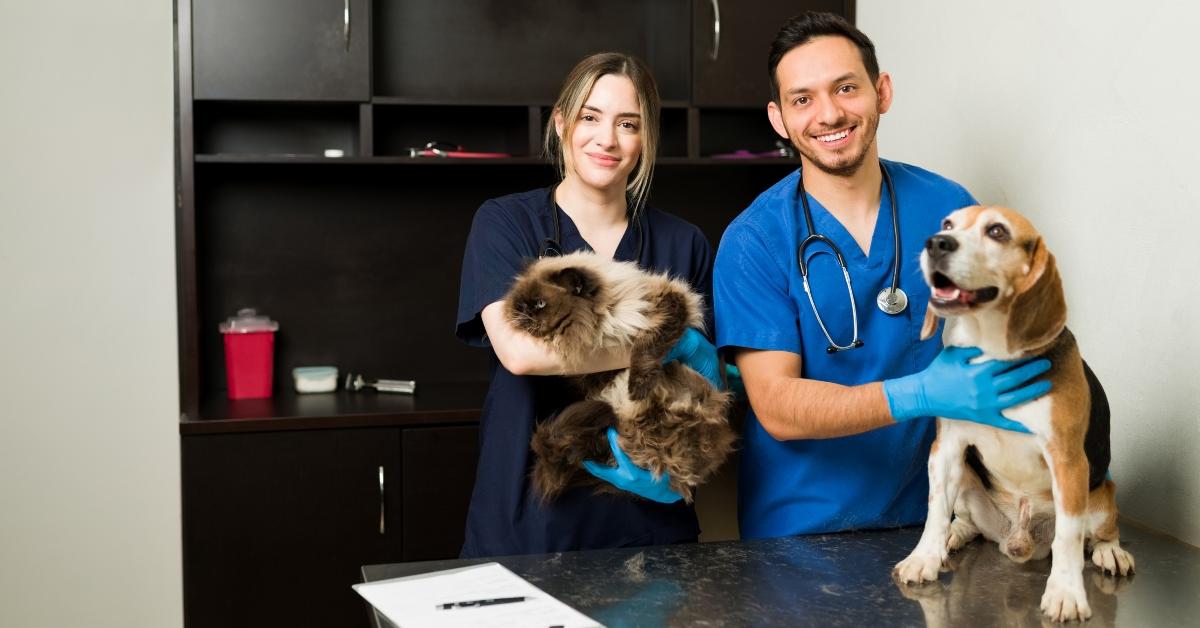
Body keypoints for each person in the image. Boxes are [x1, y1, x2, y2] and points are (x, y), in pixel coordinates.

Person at [712, 12, 1052, 540]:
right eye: (803, 99)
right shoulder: (754, 240)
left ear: (882, 91)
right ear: (779, 120)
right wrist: (918, 394)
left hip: (941, 520)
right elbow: (776, 405)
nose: (828, 114)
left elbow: (996, 349)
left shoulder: (949, 209)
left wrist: (1072, 463)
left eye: (846, 88)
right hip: (799, 532)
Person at [455, 52, 723, 558]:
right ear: (561, 124)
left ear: (646, 139)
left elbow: (710, 379)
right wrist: (660, 346)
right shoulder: (506, 224)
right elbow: (520, 354)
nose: (607, 139)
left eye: (628, 124)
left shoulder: (682, 242)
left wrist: (703, 374)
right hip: (529, 521)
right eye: (590, 118)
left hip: (650, 518)